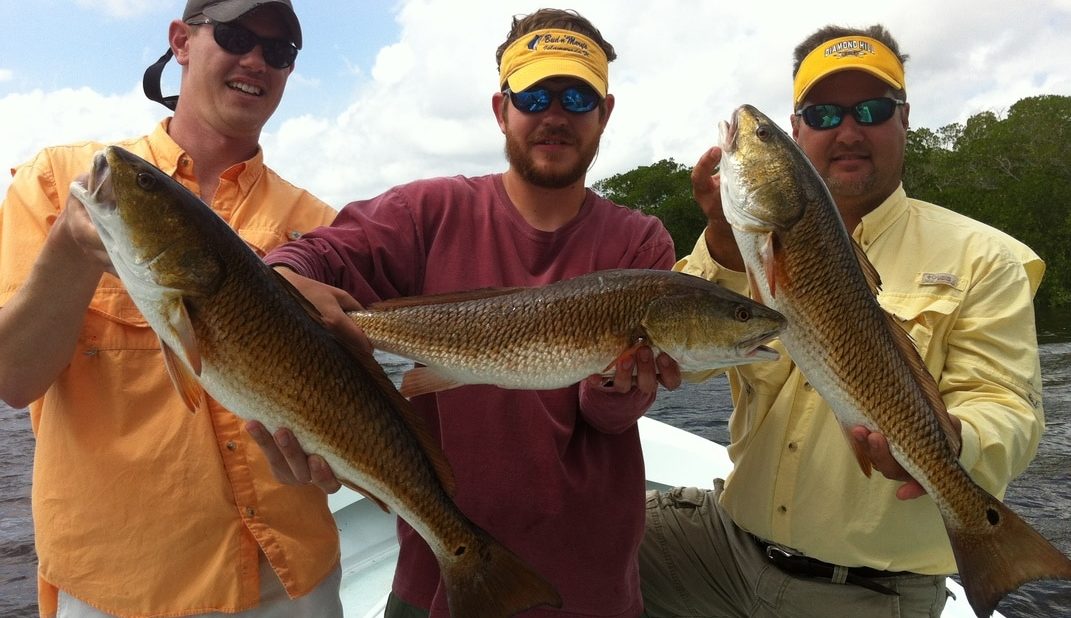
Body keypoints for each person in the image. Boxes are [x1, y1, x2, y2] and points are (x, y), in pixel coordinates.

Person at [257, 8, 681, 617]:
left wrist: (619, 391)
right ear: (500, 108)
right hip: (434, 575)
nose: (554, 114)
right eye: (534, 95)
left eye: (576, 96)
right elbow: (312, 255)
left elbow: (606, 419)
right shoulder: (426, 211)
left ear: (604, 112)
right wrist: (285, 276)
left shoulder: (642, 246)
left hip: (588, 583)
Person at [639, 24, 1045, 618]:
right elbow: (680, 365)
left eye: (872, 110)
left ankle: (993, 547)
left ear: (904, 119)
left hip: (867, 592)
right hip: (722, 547)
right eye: (824, 113)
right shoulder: (741, 245)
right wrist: (726, 249)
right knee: (555, 551)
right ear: (800, 131)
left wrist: (953, 441)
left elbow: (1006, 405)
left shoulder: (986, 258)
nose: (848, 131)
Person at [0, 2, 343, 616]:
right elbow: (12, 377)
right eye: (237, 36)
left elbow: (355, 392)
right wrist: (71, 253)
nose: (256, 60)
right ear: (181, 42)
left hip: (293, 580)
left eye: (279, 51)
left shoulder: (320, 227)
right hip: (118, 583)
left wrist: (328, 461)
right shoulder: (61, 182)